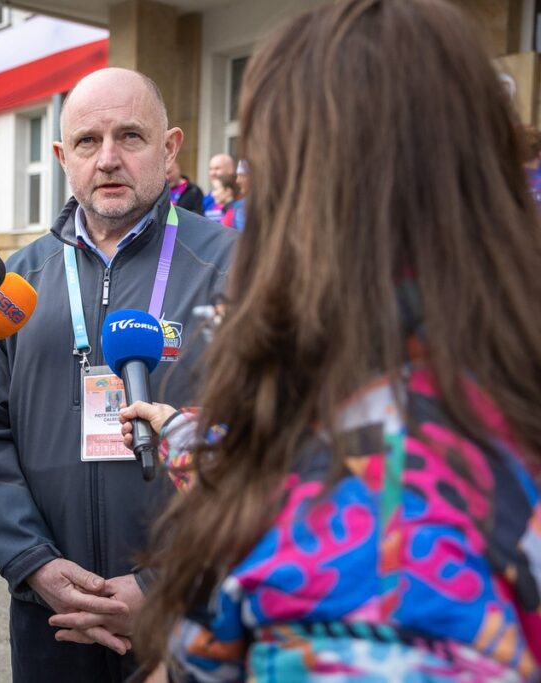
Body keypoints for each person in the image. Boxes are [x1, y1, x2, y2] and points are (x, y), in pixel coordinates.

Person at [121, 0, 541, 679]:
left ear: (311, 198)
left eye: (266, 172)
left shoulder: (378, 567)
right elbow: (339, 441)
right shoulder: (477, 369)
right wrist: (183, 433)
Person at [0, 67, 236, 682]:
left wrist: (168, 582)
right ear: (61, 155)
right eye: (87, 141)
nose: (107, 158)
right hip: (53, 615)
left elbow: (271, 442)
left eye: (130, 137)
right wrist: (31, 562)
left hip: (195, 614)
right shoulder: (16, 283)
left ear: (169, 148)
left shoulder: (236, 270)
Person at [201, 153, 235, 221]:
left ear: (230, 169)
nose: (213, 173)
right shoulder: (207, 199)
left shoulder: (240, 199)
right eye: (210, 169)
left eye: (217, 168)